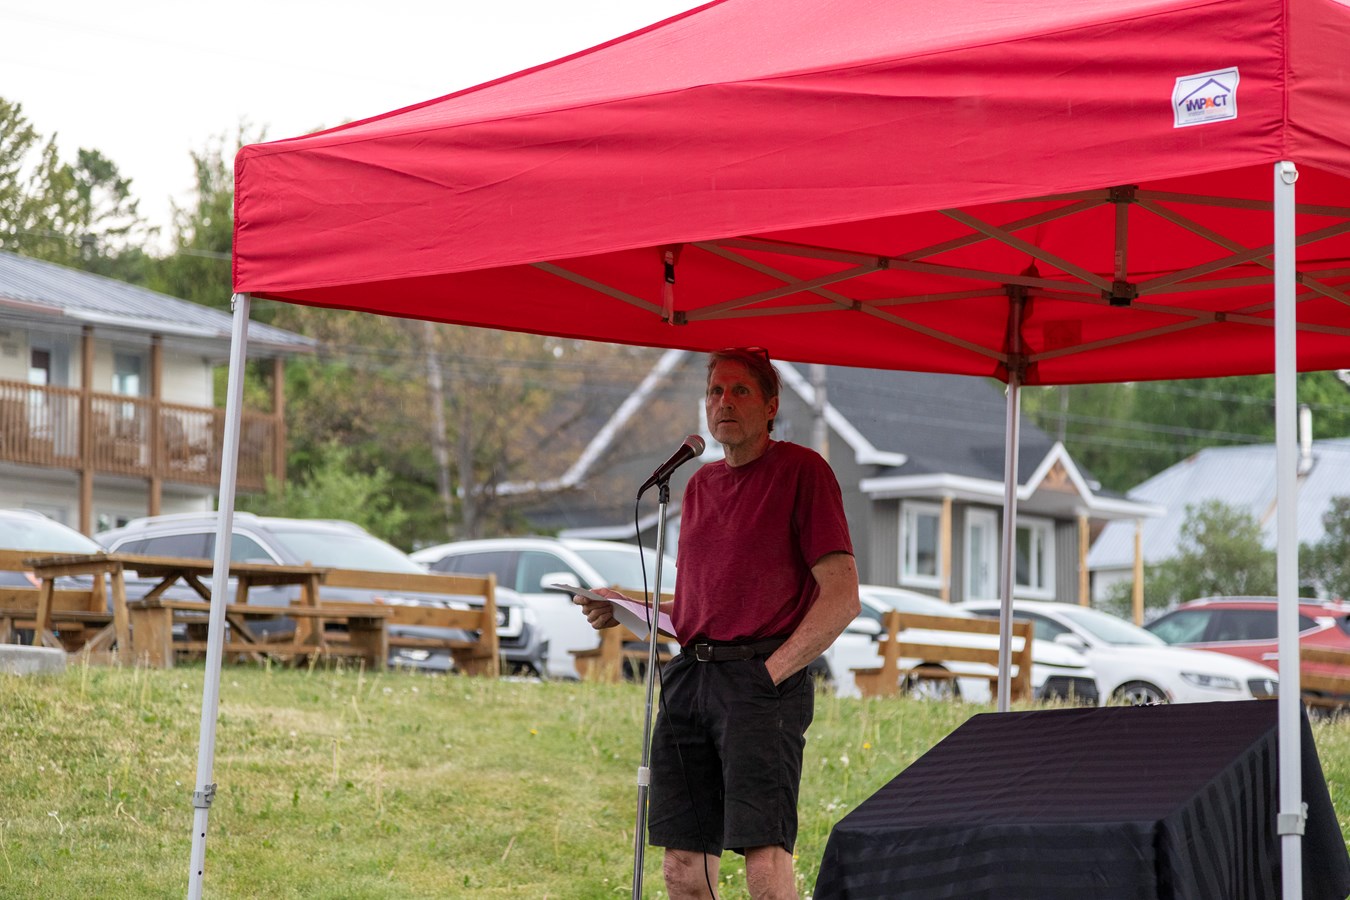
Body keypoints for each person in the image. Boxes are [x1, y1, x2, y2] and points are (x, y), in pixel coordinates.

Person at [578, 346, 860, 899]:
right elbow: (703, 606)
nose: (723, 402)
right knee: (682, 867)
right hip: (690, 679)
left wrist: (770, 674)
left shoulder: (803, 471)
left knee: (763, 859)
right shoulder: (699, 487)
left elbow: (843, 597)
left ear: (772, 404)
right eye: (714, 391)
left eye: (739, 391)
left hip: (758, 684)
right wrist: (624, 607)